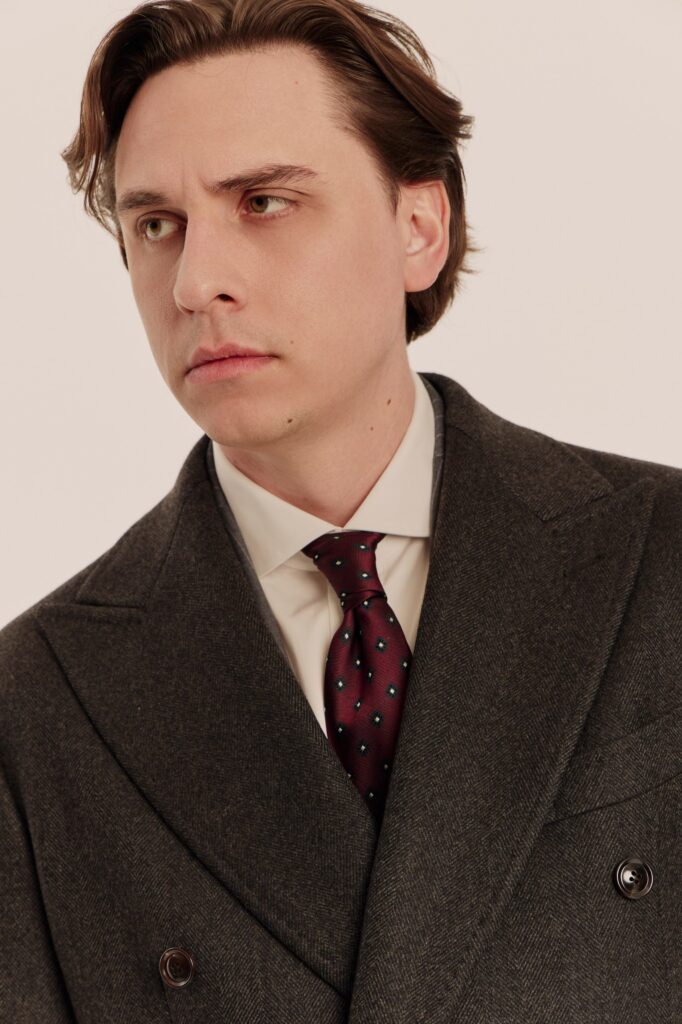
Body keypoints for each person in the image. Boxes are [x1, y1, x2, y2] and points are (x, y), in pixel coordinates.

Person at [2, 0, 681, 1020]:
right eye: (156, 225)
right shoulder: (37, 702)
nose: (195, 282)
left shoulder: (658, 556)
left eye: (264, 202)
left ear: (419, 229)